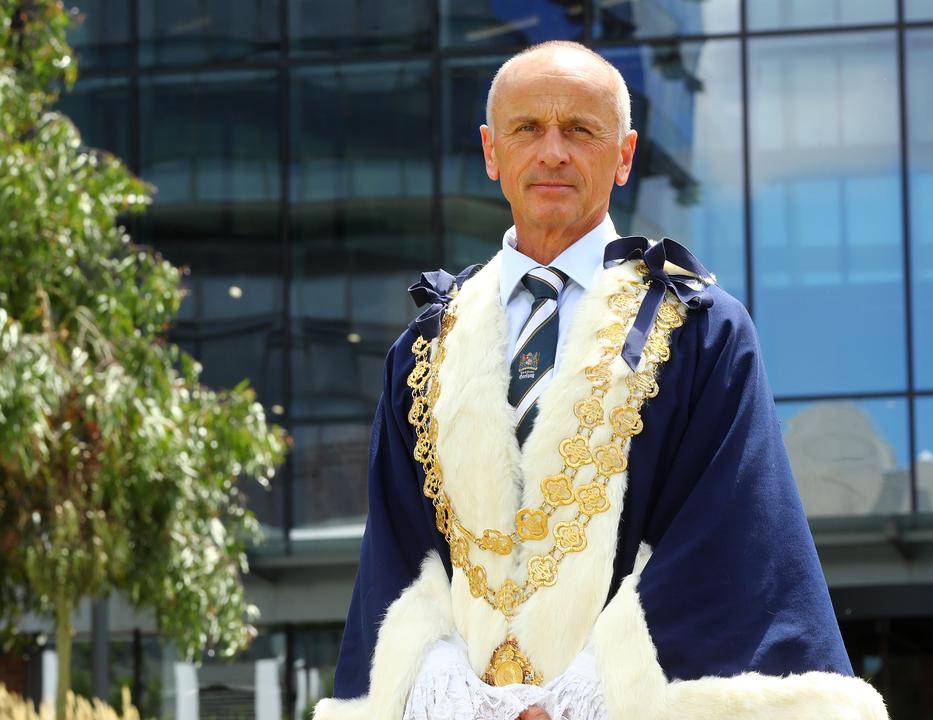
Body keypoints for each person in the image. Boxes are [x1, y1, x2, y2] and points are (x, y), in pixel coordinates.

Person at [314, 40, 888, 720]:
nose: (552, 152)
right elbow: (397, 553)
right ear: (492, 151)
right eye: (527, 128)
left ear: (623, 156)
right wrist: (461, 697)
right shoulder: (423, 349)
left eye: (581, 130)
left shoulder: (701, 331)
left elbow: (728, 541)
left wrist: (583, 696)